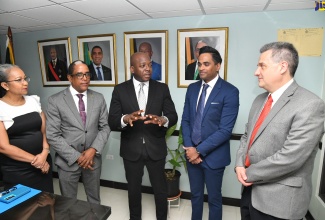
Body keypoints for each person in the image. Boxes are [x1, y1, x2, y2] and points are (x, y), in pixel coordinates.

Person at [235, 42, 325, 220]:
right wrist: (239, 163)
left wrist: (248, 172)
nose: (256, 72)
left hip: (280, 203)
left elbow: (291, 157)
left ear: (283, 66)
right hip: (249, 193)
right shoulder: (259, 100)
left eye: (262, 66)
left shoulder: (310, 104)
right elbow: (247, 136)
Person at [108, 52, 178, 220]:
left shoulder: (162, 88)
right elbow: (112, 120)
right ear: (132, 68)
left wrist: (163, 119)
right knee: (133, 191)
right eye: (143, 65)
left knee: (160, 190)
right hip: (131, 149)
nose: (148, 69)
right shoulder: (120, 90)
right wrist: (125, 118)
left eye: (150, 65)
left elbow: (173, 115)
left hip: (156, 148)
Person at [181, 46, 239, 220]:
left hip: (214, 157)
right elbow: (186, 121)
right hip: (192, 155)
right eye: (199, 64)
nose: (201, 68)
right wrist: (191, 148)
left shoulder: (230, 91)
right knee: (196, 196)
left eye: (206, 64)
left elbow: (225, 130)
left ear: (218, 66)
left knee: (214, 199)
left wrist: (198, 151)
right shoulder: (192, 89)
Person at [46, 60, 110, 204]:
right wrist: (77, 157)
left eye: (87, 74)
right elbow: (52, 135)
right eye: (80, 74)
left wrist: (93, 150)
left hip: (93, 159)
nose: (85, 78)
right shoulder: (55, 101)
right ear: (69, 77)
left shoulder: (98, 98)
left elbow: (105, 126)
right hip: (67, 161)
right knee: (68, 202)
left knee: (94, 200)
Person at [0, 64, 53, 192]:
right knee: (22, 208)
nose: (25, 83)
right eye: (19, 80)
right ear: (5, 85)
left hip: (44, 162)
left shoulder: (33, 100)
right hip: (18, 169)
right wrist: (37, 161)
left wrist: (45, 153)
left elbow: (45, 131)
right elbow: (3, 147)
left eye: (25, 78)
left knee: (46, 202)